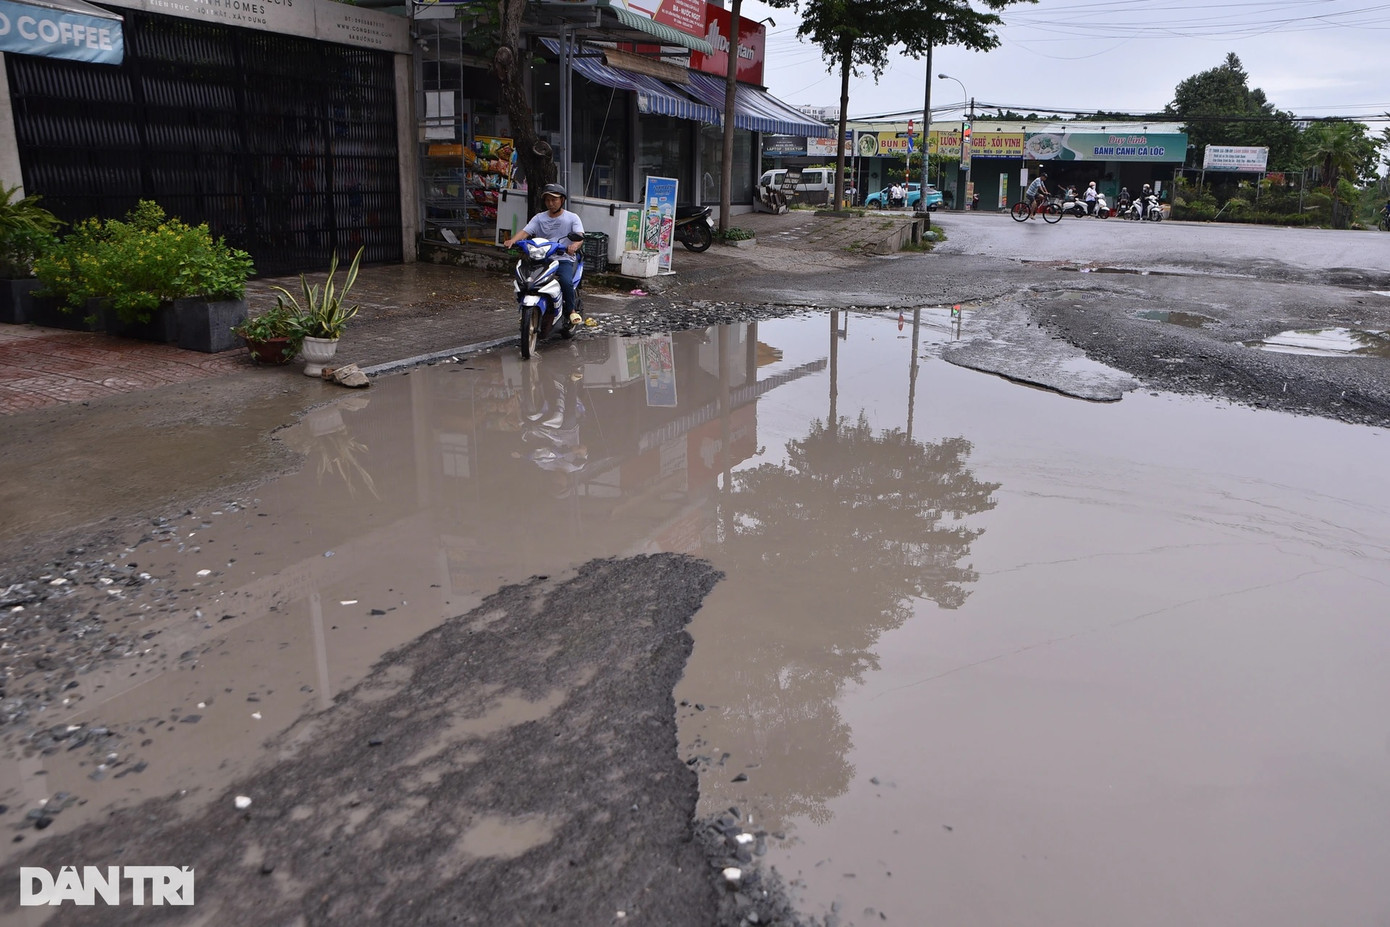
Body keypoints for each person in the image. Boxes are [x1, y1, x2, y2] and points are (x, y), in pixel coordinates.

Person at [503, 183, 585, 325]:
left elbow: (580, 236)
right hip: (541, 258)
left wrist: (574, 246)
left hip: (562, 258)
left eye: (554, 200)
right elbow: (525, 231)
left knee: (566, 281)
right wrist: (512, 240)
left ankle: (571, 311)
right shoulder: (539, 218)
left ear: (562, 200)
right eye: (547, 200)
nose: (550, 203)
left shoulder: (572, 218)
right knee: (525, 280)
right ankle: (525, 308)